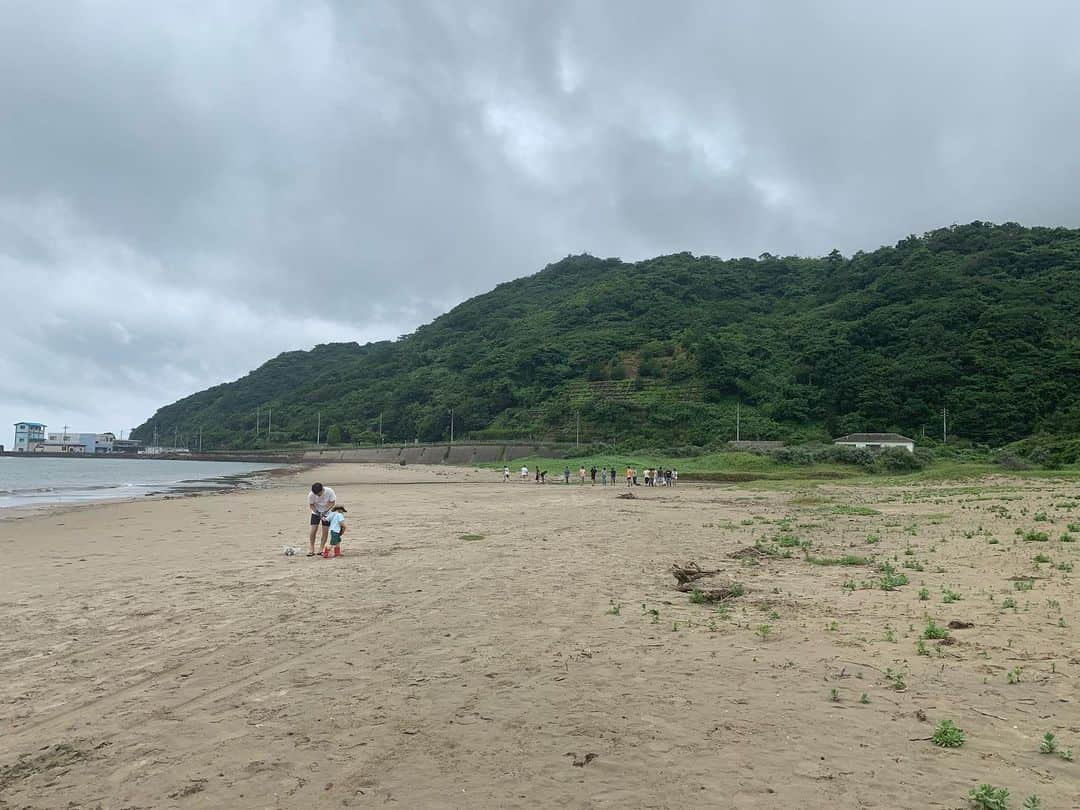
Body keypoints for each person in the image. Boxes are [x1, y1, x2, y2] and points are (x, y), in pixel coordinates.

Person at [307, 482, 336, 557]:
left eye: (319, 494)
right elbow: (311, 505)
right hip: (315, 512)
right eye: (316, 494)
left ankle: (321, 549)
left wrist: (325, 511)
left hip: (327, 512)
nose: (317, 495)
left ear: (322, 489)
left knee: (325, 531)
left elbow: (332, 502)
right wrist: (317, 512)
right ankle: (311, 549)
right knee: (313, 530)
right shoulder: (311, 494)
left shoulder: (329, 491)